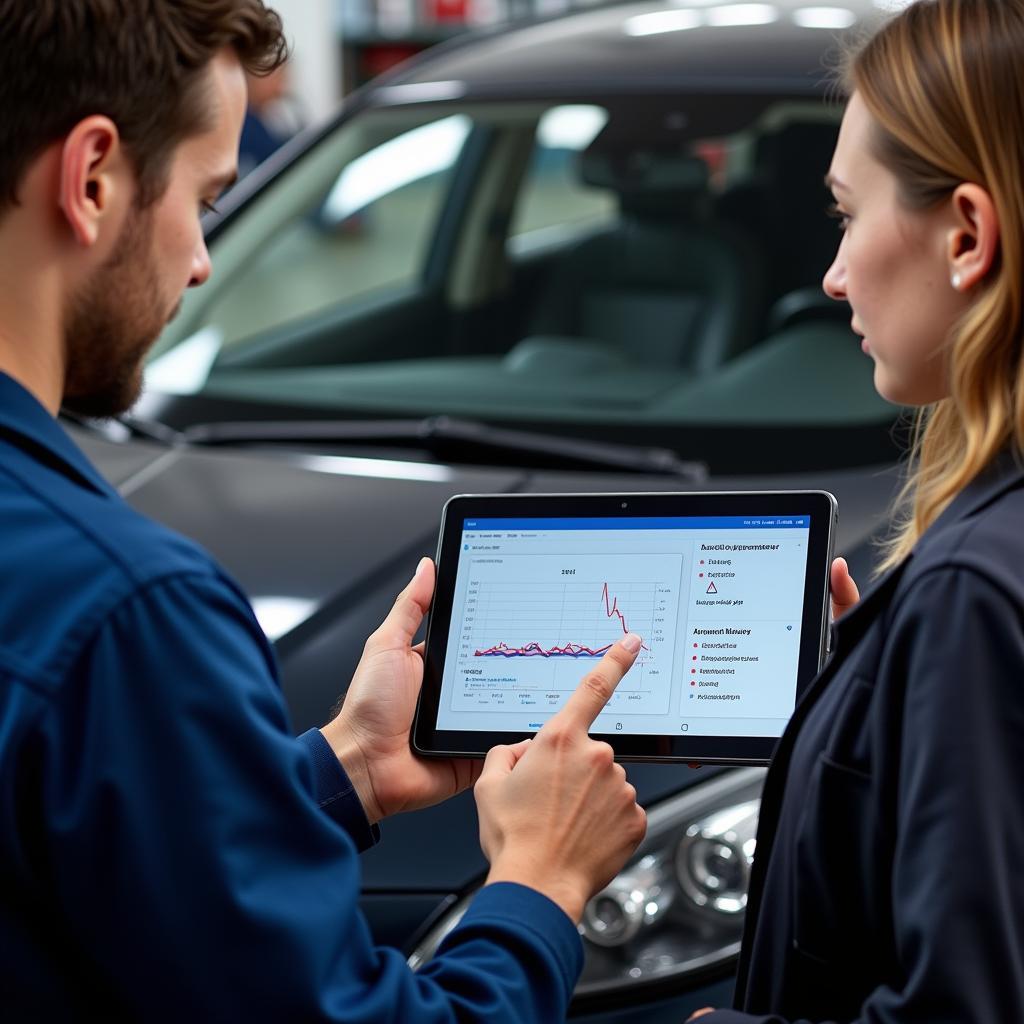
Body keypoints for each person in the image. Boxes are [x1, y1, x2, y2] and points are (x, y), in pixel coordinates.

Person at [0, 3, 646, 1019]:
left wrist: (346, 767)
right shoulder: (127, 612)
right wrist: (541, 884)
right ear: (91, 181)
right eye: (206, 201)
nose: (203, 260)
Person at [688, 0, 1024, 1020]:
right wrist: (881, 703)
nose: (833, 275)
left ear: (966, 233)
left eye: (845, 212)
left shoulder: (973, 588)